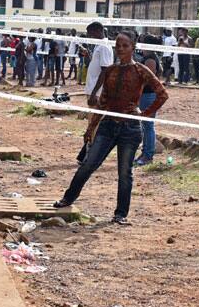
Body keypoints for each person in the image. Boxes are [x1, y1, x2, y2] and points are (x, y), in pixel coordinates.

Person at [54, 31, 168, 225]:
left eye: (125, 46)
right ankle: (68, 198)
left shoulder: (140, 70)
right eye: (118, 46)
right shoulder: (111, 71)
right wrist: (91, 127)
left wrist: (144, 114)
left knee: (125, 172)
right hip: (108, 124)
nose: (121, 49)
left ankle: (121, 214)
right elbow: (103, 102)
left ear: (133, 47)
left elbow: (162, 94)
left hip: (130, 128)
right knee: (89, 164)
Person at [135, 34, 163, 166]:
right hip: (146, 95)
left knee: (148, 125)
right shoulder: (150, 57)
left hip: (148, 95)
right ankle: (145, 152)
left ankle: (148, 154)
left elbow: (148, 78)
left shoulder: (150, 59)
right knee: (145, 125)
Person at [84, 22, 114, 99]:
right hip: (93, 88)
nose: (90, 37)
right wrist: (87, 55)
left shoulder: (104, 46)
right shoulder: (98, 45)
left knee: (95, 110)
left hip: (97, 92)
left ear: (98, 31)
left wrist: (94, 93)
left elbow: (105, 71)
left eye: (91, 34)